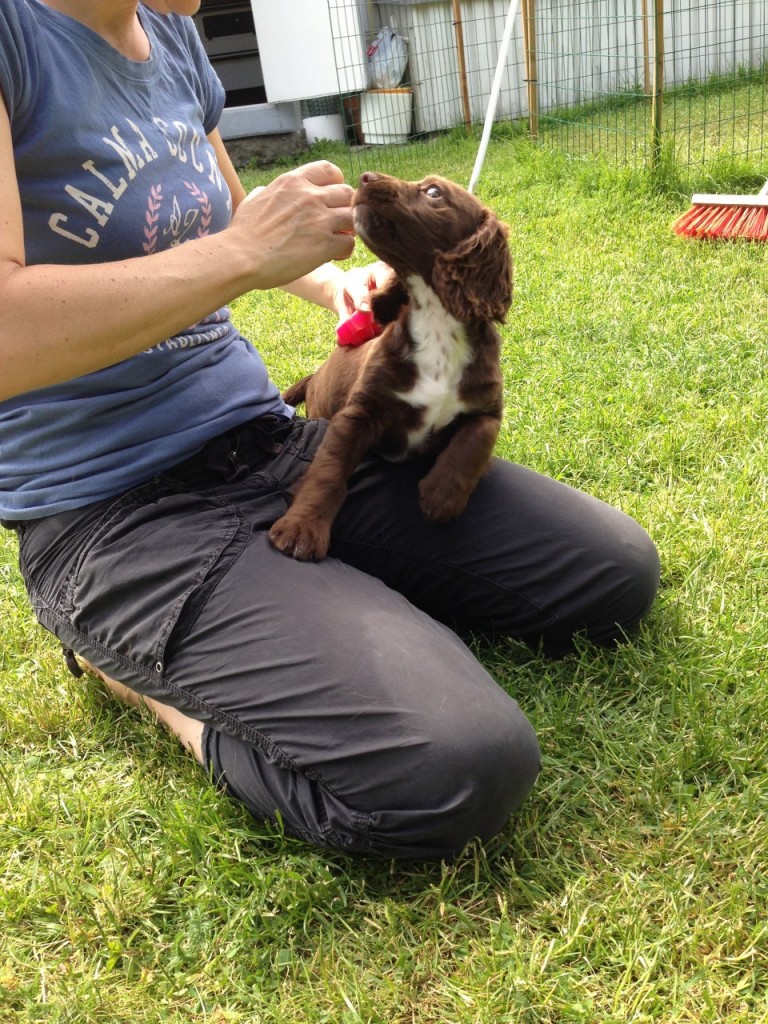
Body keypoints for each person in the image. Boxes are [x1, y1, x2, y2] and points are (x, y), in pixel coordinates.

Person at [0, 0, 659, 859]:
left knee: (606, 575)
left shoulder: (169, 35)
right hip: (117, 514)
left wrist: (332, 286)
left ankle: (325, 606)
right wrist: (242, 254)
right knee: (460, 765)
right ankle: (150, 685)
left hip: (268, 441)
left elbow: (234, 223)